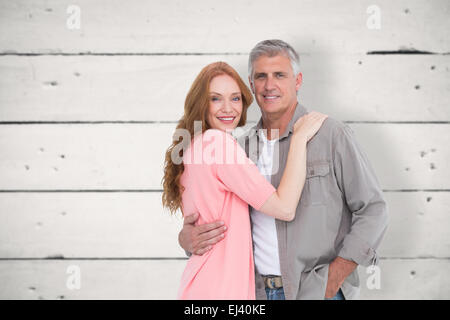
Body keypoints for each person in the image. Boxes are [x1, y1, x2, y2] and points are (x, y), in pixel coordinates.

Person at [179, 40, 389, 300]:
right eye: (261, 76)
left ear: (298, 80)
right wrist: (187, 240)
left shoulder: (331, 135)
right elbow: (220, 220)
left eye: (279, 75)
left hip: (315, 290)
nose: (269, 85)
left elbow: (373, 208)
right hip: (255, 293)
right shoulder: (238, 147)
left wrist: (336, 276)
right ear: (251, 83)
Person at [162, 61, 327, 299]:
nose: (228, 108)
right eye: (216, 98)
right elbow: (284, 207)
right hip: (221, 291)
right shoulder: (217, 144)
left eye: (236, 98)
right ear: (201, 102)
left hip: (203, 287)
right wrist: (299, 138)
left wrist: (184, 238)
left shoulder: (195, 145)